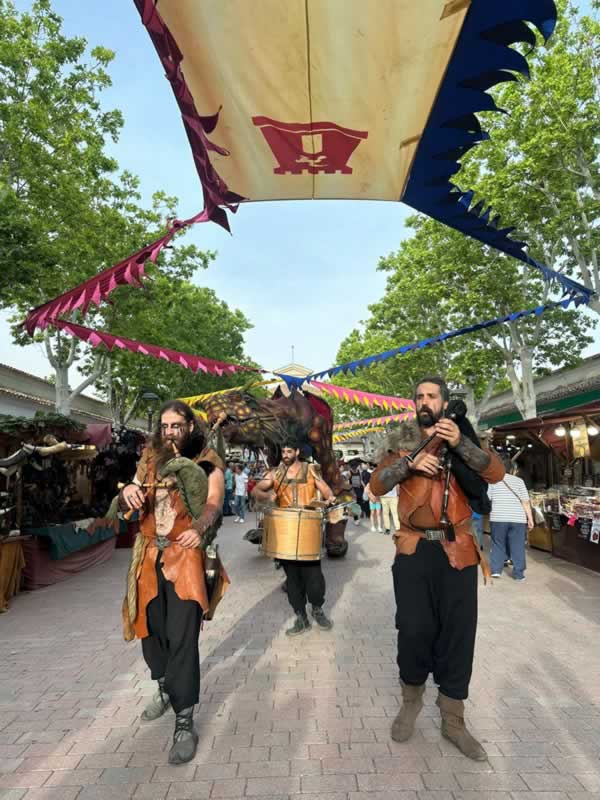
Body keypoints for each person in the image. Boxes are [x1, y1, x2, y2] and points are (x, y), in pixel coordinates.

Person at [370, 376, 504, 761]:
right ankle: (411, 701)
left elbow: (494, 474)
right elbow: (377, 486)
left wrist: (460, 443)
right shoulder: (401, 438)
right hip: (414, 548)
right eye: (418, 396)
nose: (424, 401)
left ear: (445, 402)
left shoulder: (464, 435)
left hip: (459, 549)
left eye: (431, 396)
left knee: (459, 634)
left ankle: (453, 720)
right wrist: (409, 465)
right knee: (413, 629)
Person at [120, 400, 225, 765]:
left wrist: (199, 529)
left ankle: (184, 719)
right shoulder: (150, 455)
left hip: (185, 559)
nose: (169, 432)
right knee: (151, 634)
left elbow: (213, 503)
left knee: (182, 640)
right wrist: (127, 494)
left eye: (176, 425)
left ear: (190, 426)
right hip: (149, 557)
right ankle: (164, 686)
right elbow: (132, 492)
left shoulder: (207, 457)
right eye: (164, 426)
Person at [252, 439, 336, 636]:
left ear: (297, 451)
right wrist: (267, 497)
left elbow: (326, 491)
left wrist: (329, 498)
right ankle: (301, 617)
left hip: (308, 529)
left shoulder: (311, 470)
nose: (285, 455)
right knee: (292, 580)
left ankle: (317, 608)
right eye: (283, 452)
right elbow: (257, 490)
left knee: (314, 579)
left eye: (289, 451)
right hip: (286, 532)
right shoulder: (275, 473)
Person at [488, 462, 533, 581]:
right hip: (517, 518)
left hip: (498, 517)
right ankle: (518, 574)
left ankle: (496, 570)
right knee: (517, 545)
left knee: (498, 543)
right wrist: (530, 518)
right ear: (513, 469)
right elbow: (525, 502)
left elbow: (488, 499)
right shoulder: (519, 481)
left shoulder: (492, 481)